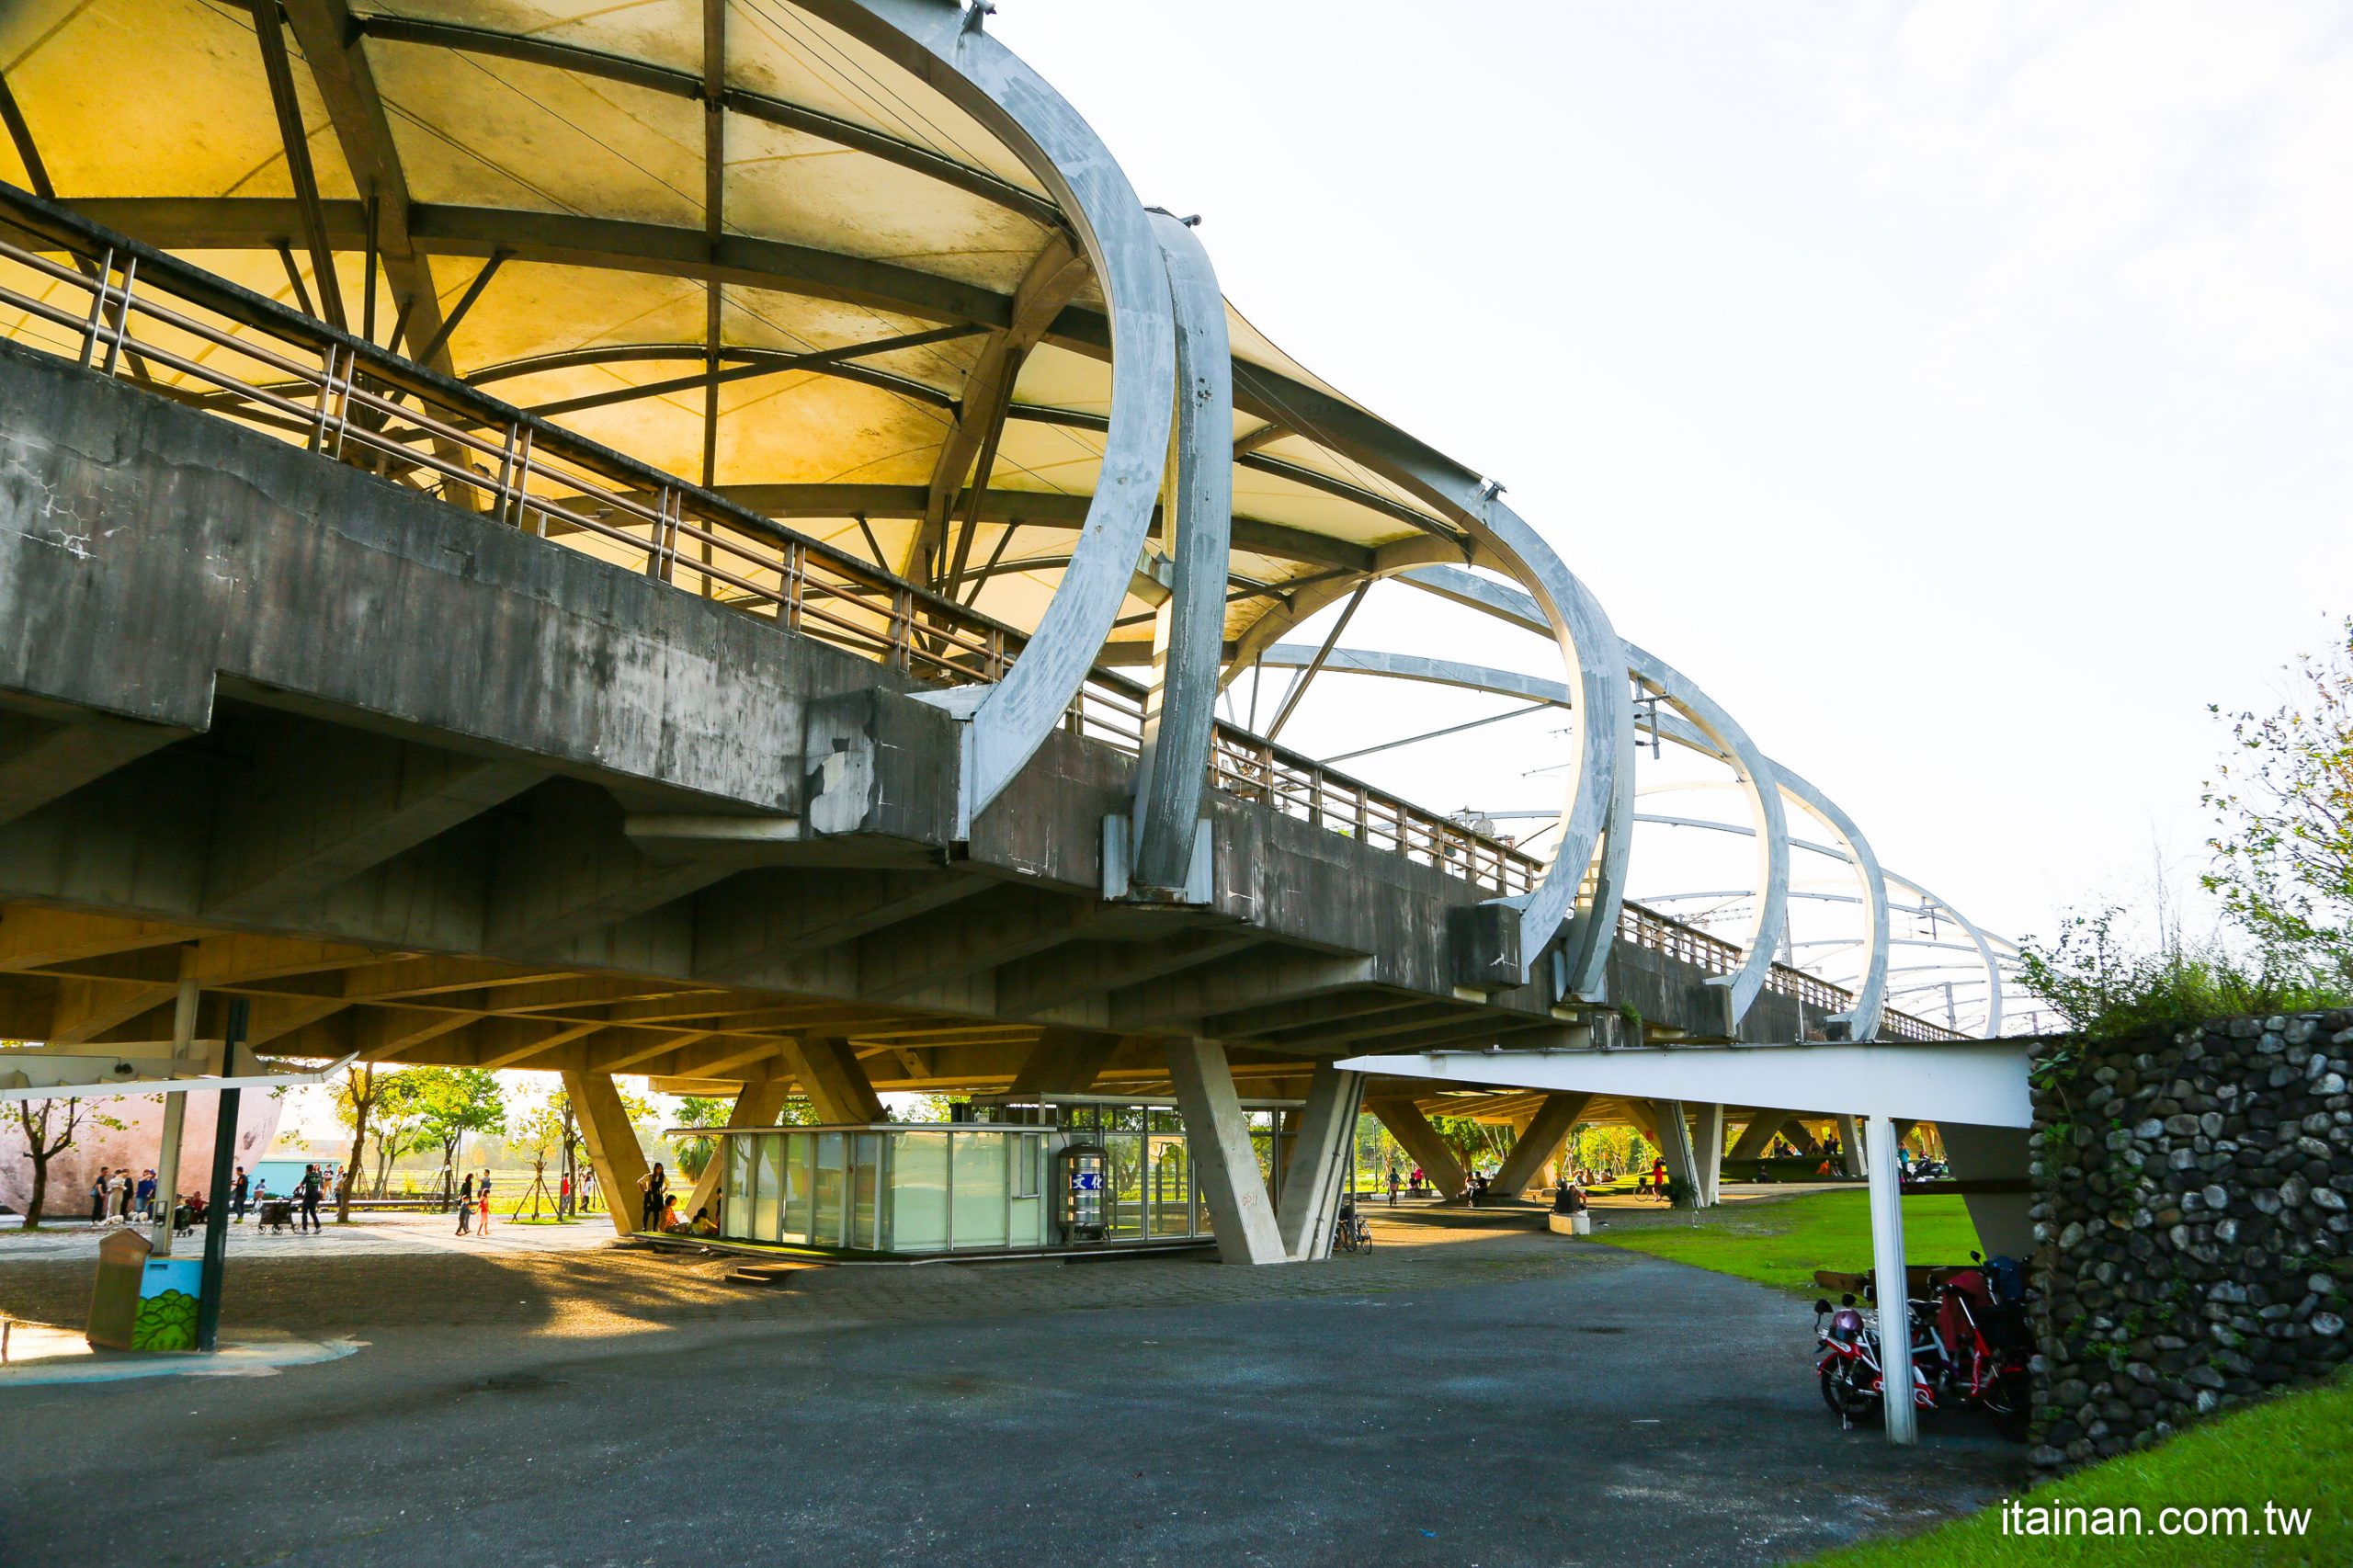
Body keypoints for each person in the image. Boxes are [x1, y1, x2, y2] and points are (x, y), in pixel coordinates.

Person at [639, 1162, 667, 1233]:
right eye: (658, 1168)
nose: (659, 1170)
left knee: (657, 1213)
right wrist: (644, 1190)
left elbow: (668, 1185)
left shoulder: (663, 1177)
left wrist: (663, 1192)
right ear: (655, 1169)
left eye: (661, 1169)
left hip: (658, 1196)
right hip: (650, 1196)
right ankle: (644, 1227)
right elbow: (640, 1182)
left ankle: (655, 1228)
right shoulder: (649, 1176)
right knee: (647, 1212)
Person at [297, 1163, 323, 1233]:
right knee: (313, 1212)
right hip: (315, 1196)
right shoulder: (317, 1176)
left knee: (304, 1212)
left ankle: (304, 1229)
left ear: (307, 1169)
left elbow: (301, 1184)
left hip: (308, 1196)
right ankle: (318, 1227)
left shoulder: (308, 1176)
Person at [455, 1171, 474, 1235]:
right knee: (467, 1215)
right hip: (466, 1200)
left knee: (464, 1215)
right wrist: (470, 1202)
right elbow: (469, 1194)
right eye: (472, 1177)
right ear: (470, 1178)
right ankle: (465, 1228)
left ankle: (465, 1229)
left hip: (462, 1200)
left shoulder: (464, 1184)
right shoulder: (469, 1185)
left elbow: (461, 1193)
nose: (473, 1179)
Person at [477, 1169, 494, 1236]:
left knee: (485, 1222)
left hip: (484, 1211)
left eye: (485, 1172)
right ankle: (479, 1232)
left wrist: (477, 1177)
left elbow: (480, 1180)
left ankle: (486, 1231)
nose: (484, 1173)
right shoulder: (484, 1198)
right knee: (483, 1222)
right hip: (484, 1211)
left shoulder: (486, 1178)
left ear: (487, 1173)